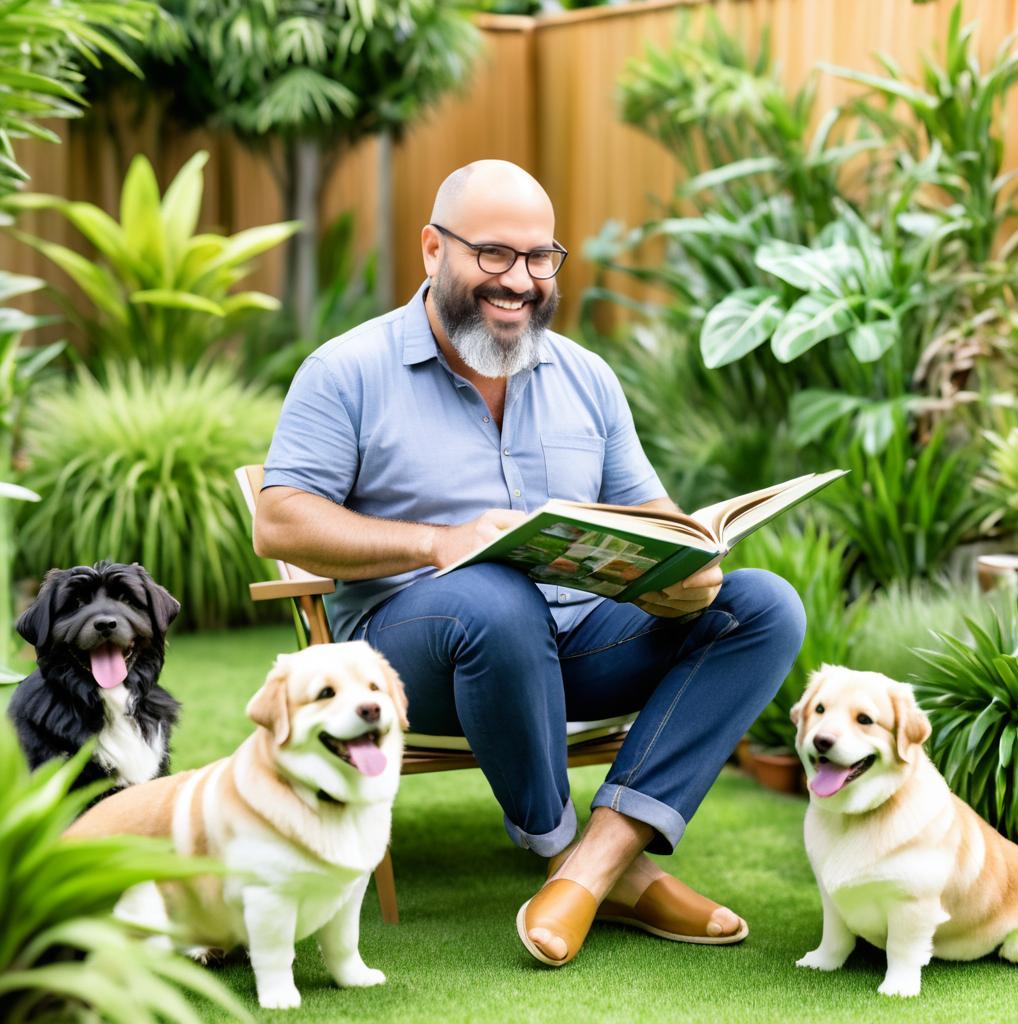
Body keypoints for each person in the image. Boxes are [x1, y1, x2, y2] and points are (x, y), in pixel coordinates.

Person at [254, 159, 806, 966]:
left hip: (577, 643)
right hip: (417, 651)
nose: (520, 281)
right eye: (494, 255)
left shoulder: (586, 375)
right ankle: (558, 845)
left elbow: (650, 512)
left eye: (540, 258)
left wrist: (685, 567)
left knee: (763, 606)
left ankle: (597, 865)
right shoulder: (347, 371)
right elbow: (279, 519)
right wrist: (433, 543)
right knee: (492, 596)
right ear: (431, 249)